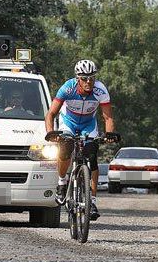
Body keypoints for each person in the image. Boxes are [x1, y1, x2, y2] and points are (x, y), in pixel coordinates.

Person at [45, 59, 119, 221]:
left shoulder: (100, 90)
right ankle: (62, 182)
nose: (88, 82)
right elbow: (51, 114)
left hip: (88, 123)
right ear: (77, 78)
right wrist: (51, 133)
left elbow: (108, 117)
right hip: (68, 122)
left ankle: (91, 201)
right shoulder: (68, 87)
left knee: (92, 157)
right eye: (84, 78)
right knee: (65, 148)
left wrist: (109, 134)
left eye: (92, 78)